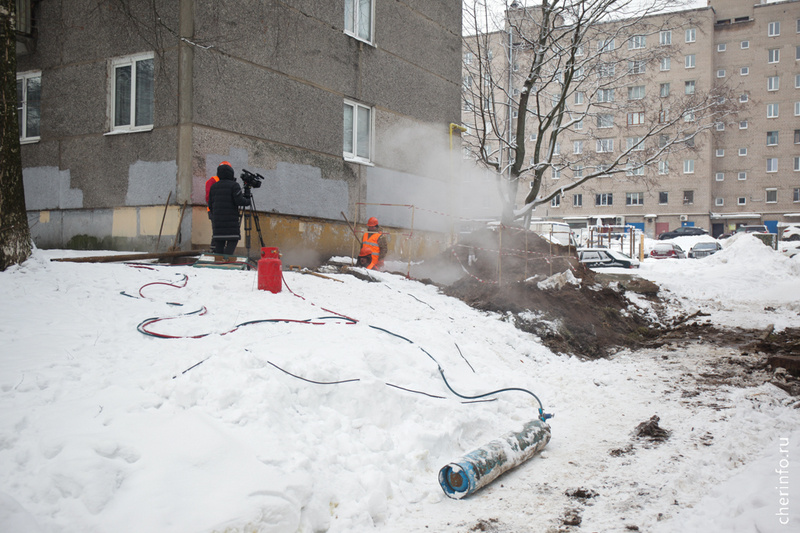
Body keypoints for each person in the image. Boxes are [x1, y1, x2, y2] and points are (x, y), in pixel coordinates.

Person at [208, 162, 250, 255]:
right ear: (231, 173)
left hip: (217, 223)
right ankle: (227, 260)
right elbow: (241, 202)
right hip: (231, 223)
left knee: (219, 247)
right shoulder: (234, 185)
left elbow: (210, 204)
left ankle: (220, 264)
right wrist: (247, 197)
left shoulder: (213, 187)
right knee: (233, 241)